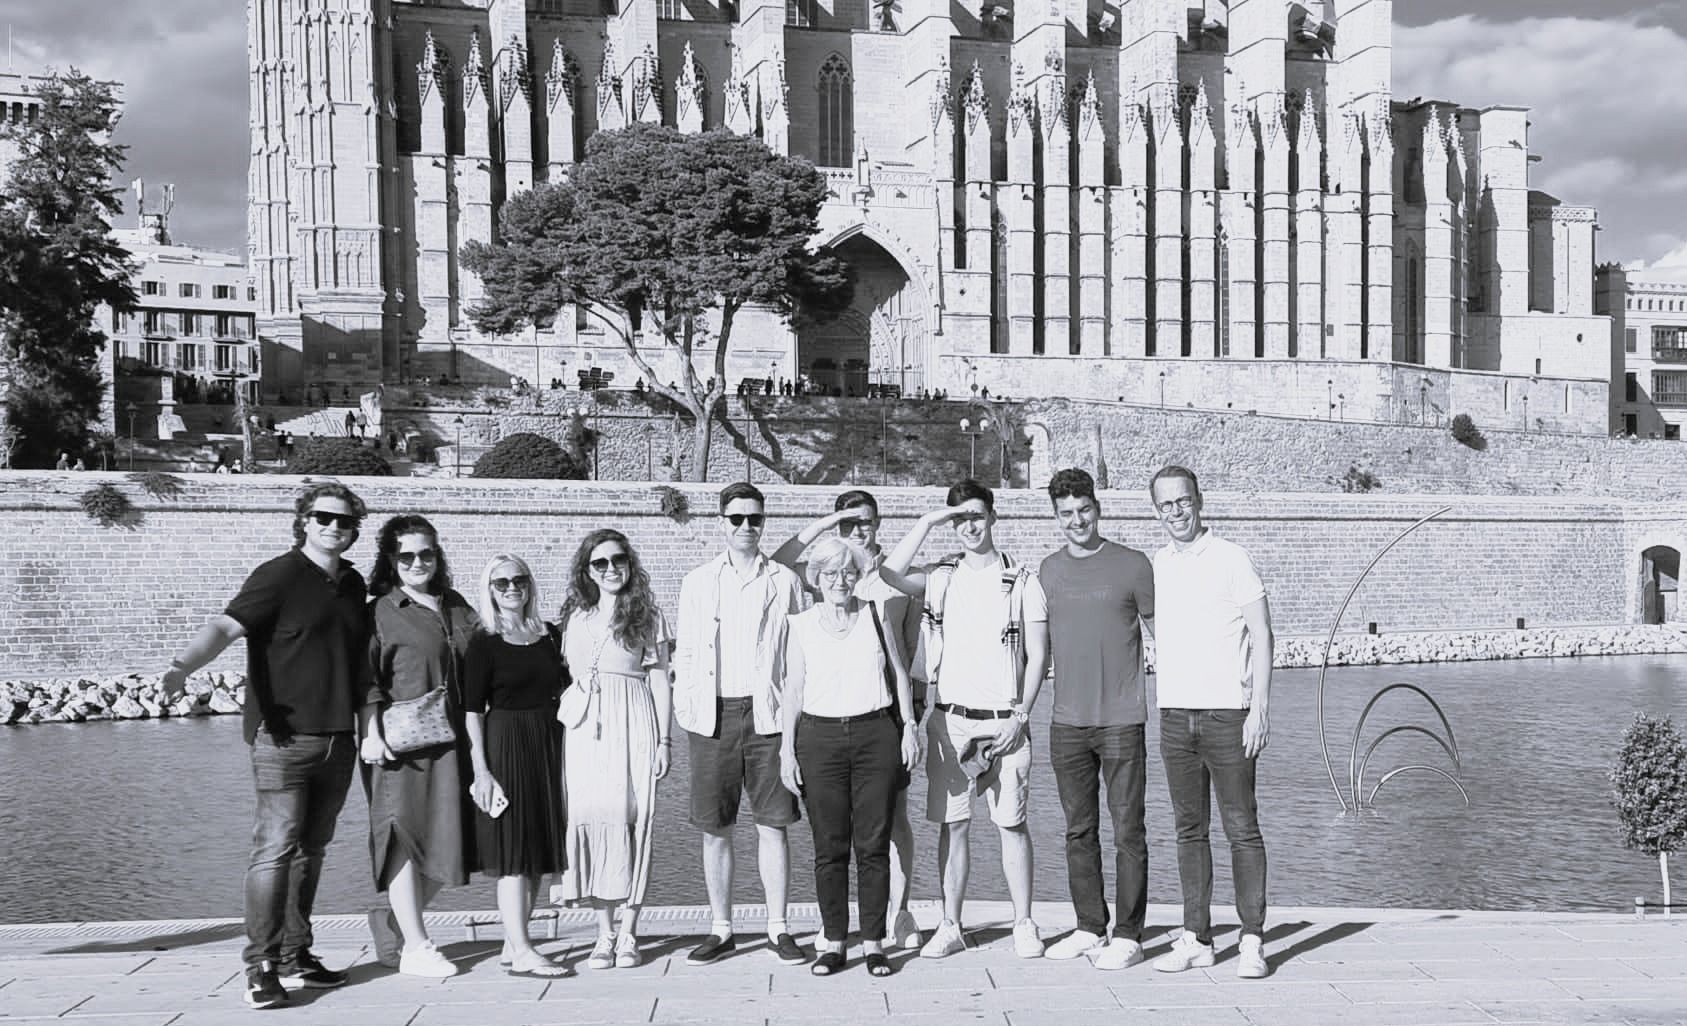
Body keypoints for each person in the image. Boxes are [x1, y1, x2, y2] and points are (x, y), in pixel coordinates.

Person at [160, 483, 370, 1009]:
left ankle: (297, 954)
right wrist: (182, 667)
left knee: (311, 851)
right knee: (274, 851)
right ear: (304, 520)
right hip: (282, 740)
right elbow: (224, 626)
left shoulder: (352, 584)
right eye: (324, 517)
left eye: (345, 521)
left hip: (338, 739)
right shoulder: (277, 575)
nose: (334, 527)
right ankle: (260, 966)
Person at [879, 479, 1049, 960]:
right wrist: (927, 521)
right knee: (952, 826)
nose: (969, 526)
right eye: (960, 519)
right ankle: (950, 924)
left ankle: (1023, 922)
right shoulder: (940, 577)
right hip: (950, 720)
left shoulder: (1023, 580)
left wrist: (1021, 715)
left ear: (993, 516)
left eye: (976, 515)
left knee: (1011, 825)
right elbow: (889, 573)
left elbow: (1039, 655)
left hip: (1004, 723)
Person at [770, 490, 925, 951]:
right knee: (830, 844)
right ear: (818, 577)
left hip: (880, 725)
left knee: (881, 836)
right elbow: (793, 689)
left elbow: (903, 665)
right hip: (822, 735)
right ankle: (835, 935)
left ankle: (885, 928)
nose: (840, 579)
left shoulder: (887, 591)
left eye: (848, 572)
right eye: (831, 572)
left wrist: (910, 725)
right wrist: (786, 750)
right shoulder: (803, 617)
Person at [1145, 465, 1273, 979]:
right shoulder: (1159, 563)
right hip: (1175, 715)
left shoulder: (1231, 558)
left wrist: (1259, 708)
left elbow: (1262, 635)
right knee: (1188, 831)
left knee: (1242, 828)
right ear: (1156, 511)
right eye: (1165, 505)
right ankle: (1197, 937)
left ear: (1198, 501)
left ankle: (1252, 939)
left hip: (1227, 715)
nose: (1175, 512)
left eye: (1183, 501)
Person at [673, 482, 807, 967]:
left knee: (774, 824)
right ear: (722, 523)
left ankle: (778, 927)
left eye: (755, 518)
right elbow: (686, 649)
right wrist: (686, 707)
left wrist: (796, 718)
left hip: (769, 714)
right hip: (714, 715)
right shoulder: (698, 582)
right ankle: (721, 928)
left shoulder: (785, 581)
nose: (747, 527)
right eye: (737, 518)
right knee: (715, 827)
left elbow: (799, 653)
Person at [1038, 469, 1156, 969]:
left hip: (1122, 721)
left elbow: (1164, 635)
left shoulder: (1133, 565)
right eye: (1066, 513)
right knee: (1078, 832)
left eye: (1083, 509)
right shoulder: (1047, 571)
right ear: (1056, 516)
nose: (1077, 520)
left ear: (1097, 508)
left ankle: (1129, 934)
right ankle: (1089, 926)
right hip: (1066, 724)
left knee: (1128, 831)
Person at [360, 515, 480, 978]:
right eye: (406, 555)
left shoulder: (456, 604)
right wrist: (370, 735)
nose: (417, 562)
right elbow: (365, 680)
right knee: (404, 839)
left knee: (450, 840)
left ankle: (392, 921)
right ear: (390, 560)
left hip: (455, 742)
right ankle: (416, 945)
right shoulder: (380, 611)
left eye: (426, 553)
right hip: (402, 745)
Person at [554, 529, 673, 971]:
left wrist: (664, 740)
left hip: (634, 719)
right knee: (590, 819)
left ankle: (629, 931)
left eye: (618, 559)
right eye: (599, 562)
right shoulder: (575, 618)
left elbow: (660, 679)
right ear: (587, 570)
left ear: (630, 563)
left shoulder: (648, 615)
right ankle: (603, 931)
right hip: (586, 729)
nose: (610, 569)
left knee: (635, 820)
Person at [462, 553, 570, 978]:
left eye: (519, 580)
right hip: (506, 742)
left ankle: (514, 941)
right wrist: (481, 770)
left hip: (548, 742)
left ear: (530, 584)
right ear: (490, 590)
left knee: (538, 845)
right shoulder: (484, 642)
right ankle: (524, 950)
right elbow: (473, 710)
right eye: (501, 582)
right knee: (513, 849)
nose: (512, 588)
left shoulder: (549, 635)